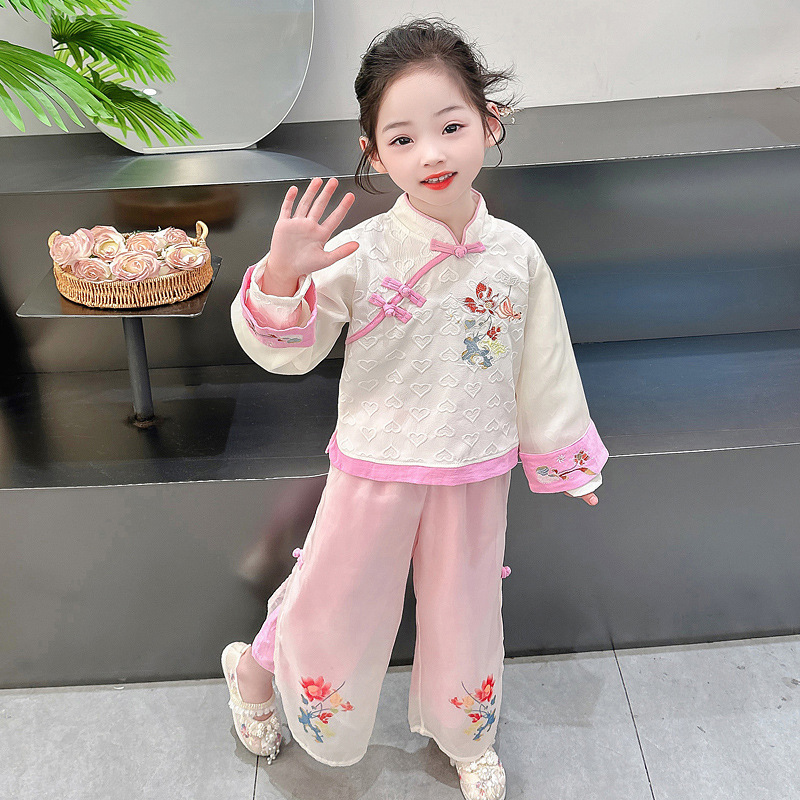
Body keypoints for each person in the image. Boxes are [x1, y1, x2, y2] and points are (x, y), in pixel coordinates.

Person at [222, 17, 608, 800]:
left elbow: (544, 365)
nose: (431, 153)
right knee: (333, 600)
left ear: (489, 123)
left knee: (468, 612)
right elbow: (288, 346)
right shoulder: (361, 252)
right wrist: (283, 276)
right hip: (375, 468)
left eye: (451, 127)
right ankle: (255, 670)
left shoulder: (517, 255)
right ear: (373, 153)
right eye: (402, 139)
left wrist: (564, 459)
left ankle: (468, 732)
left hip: (474, 468)